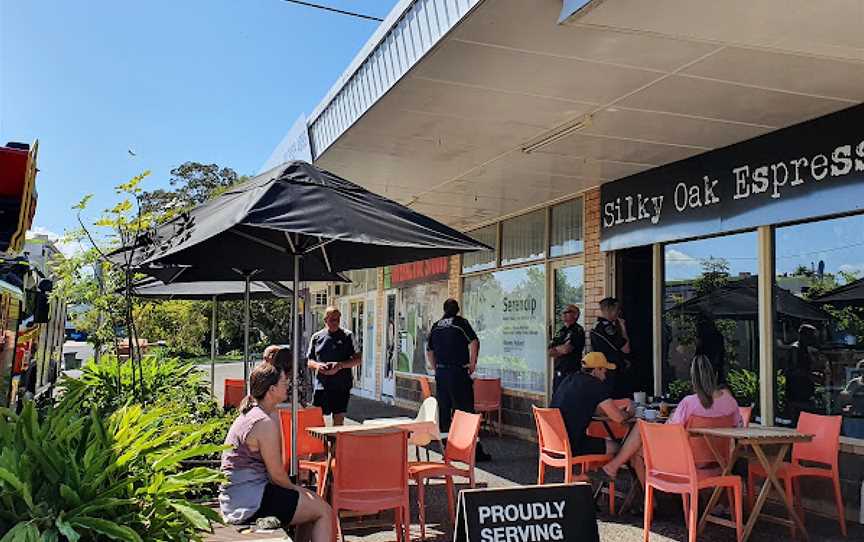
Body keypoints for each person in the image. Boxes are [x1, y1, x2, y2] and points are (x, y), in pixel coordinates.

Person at [219, 363, 333, 541]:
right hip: (249, 502)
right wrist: (297, 489)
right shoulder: (263, 422)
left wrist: (300, 493)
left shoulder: (253, 413)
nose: (287, 384)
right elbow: (277, 475)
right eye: (283, 381)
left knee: (311, 506)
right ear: (271, 389)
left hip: (240, 496)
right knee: (324, 511)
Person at [600, 355, 742, 483]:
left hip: (686, 463)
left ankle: (651, 503)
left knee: (637, 447)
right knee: (637, 441)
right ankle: (615, 469)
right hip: (720, 461)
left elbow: (672, 431)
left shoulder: (689, 403)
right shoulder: (730, 402)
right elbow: (737, 426)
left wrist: (671, 416)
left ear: (692, 378)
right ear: (716, 375)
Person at [426, 298, 491, 462]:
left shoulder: (436, 326)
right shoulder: (460, 323)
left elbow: (430, 351)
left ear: (444, 309)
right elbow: (474, 341)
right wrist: (473, 363)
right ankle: (474, 451)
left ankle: (447, 449)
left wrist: (436, 368)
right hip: (458, 372)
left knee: (444, 411)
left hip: (441, 373)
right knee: (466, 412)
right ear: (457, 310)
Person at [550, 352, 634, 476]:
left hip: (553, 443)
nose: (606, 375)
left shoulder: (569, 379)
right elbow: (619, 418)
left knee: (616, 445)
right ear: (596, 369)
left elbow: (581, 405)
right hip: (573, 445)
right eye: (604, 370)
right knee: (623, 448)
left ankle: (589, 477)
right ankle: (600, 475)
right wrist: (631, 412)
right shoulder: (595, 384)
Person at [306, 307, 361, 426]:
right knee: (316, 418)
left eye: (337, 319)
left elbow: (358, 359)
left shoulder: (348, 336)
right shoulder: (316, 337)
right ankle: (321, 443)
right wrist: (318, 366)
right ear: (325, 320)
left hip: (341, 385)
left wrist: (340, 365)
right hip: (322, 385)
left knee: (338, 419)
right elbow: (309, 361)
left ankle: (335, 444)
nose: (335, 322)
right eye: (332, 320)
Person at [590, 297, 632, 398]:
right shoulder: (607, 328)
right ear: (610, 309)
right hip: (611, 371)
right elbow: (626, 349)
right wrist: (623, 327)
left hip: (603, 369)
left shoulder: (596, 325)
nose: (619, 312)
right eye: (617, 309)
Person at [548, 304, 586, 393]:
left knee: (567, 400)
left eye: (567, 312)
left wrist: (557, 349)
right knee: (556, 398)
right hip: (559, 372)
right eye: (563, 312)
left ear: (576, 315)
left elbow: (567, 349)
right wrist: (559, 349)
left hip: (571, 373)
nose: (563, 314)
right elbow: (550, 351)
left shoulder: (578, 330)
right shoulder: (561, 331)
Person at [695, 314, 726, 384]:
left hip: (710, 362)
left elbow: (720, 352)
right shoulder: (713, 335)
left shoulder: (709, 335)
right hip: (710, 362)